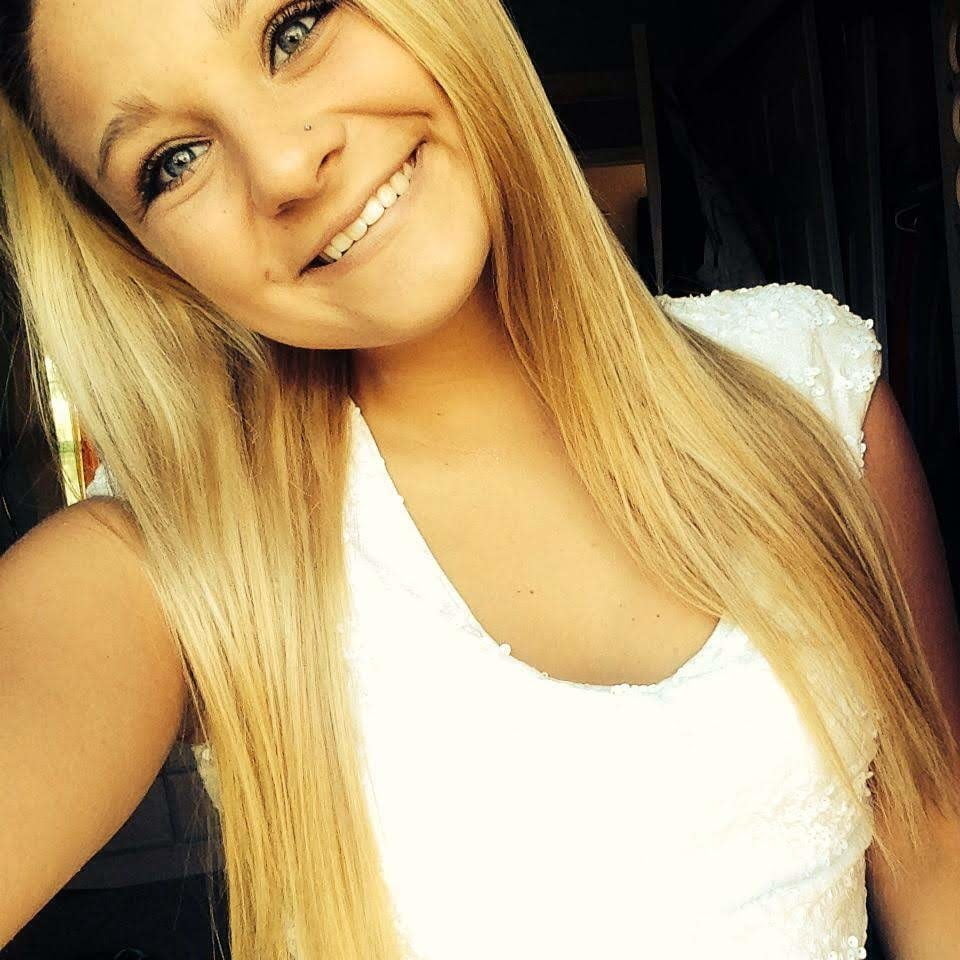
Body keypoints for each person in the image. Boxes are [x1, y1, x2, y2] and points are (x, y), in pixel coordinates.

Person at [1, 0, 959, 957]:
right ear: (142, 256)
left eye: (294, 29)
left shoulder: (808, 385)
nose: (285, 166)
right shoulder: (175, 559)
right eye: (173, 162)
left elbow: (935, 848)